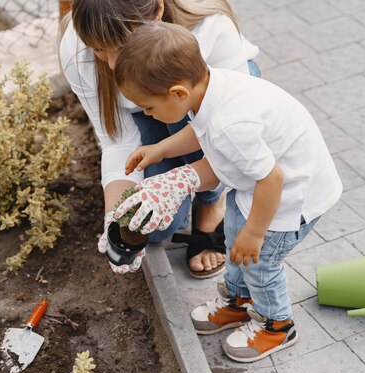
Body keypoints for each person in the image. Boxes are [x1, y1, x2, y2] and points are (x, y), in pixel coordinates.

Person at [113, 22, 342, 362]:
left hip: (292, 198)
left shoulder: (231, 125)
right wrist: (161, 149)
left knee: (260, 260)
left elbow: (272, 180)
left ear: (177, 93)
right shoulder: (209, 87)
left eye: (148, 107)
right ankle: (239, 300)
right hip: (260, 188)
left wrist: (254, 232)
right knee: (238, 245)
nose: (148, 114)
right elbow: (200, 131)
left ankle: (277, 325)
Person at [58, 0, 261, 277]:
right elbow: (117, 141)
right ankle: (194, 186)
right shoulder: (77, 44)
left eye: (124, 45)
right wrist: (116, 217)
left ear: (158, 12)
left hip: (215, 107)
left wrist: (180, 181)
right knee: (153, 226)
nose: (114, 63)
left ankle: (212, 204)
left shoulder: (209, 27)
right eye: (100, 50)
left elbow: (234, 140)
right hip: (150, 112)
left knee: (206, 147)